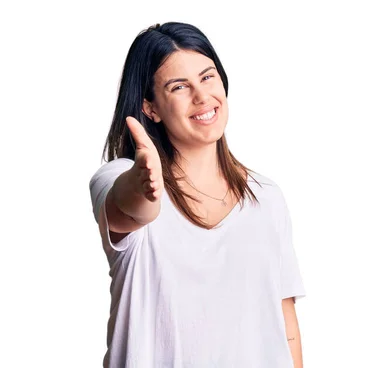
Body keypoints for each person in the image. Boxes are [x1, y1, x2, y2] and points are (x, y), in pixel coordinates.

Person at [88, 22, 306, 368]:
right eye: (179, 87)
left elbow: (284, 320)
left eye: (207, 77)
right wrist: (144, 183)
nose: (202, 96)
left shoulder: (266, 197)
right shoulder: (116, 177)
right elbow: (132, 209)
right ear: (151, 108)